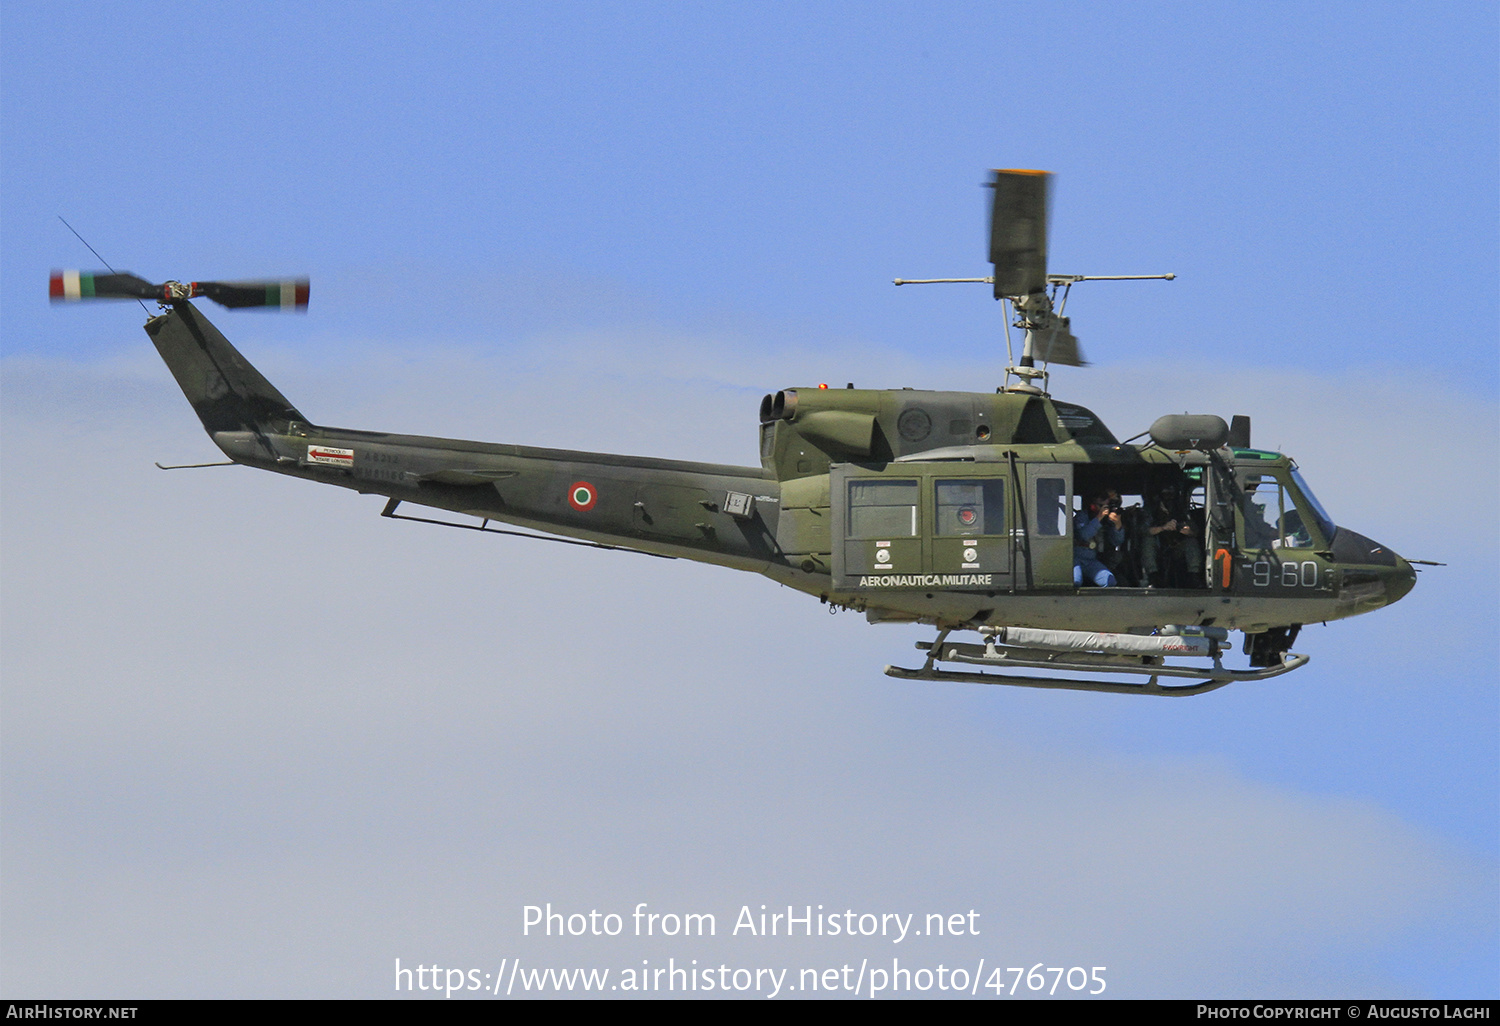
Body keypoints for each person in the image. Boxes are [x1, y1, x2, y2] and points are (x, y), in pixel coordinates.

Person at [1074, 489, 1125, 587]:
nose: (1103, 509)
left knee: (1109, 581)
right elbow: (1083, 535)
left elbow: (1117, 541)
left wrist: (1118, 524)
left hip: (1091, 560)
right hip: (1076, 558)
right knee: (1076, 581)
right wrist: (1099, 517)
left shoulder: (1106, 520)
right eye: (1101, 506)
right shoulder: (1082, 516)